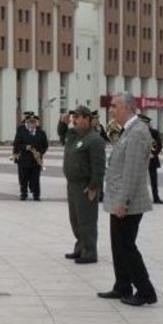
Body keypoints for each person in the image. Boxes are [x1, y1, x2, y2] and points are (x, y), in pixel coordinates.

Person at [98, 92, 157, 307]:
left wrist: (123, 202)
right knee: (118, 245)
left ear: (127, 107)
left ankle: (145, 290)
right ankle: (122, 285)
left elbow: (132, 172)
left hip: (128, 202)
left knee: (127, 246)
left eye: (114, 106)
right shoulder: (128, 131)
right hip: (119, 200)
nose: (111, 110)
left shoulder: (138, 132)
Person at [63, 106, 106, 264]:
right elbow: (64, 135)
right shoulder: (75, 136)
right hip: (72, 184)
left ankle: (89, 252)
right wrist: (63, 124)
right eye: (74, 117)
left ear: (87, 119)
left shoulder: (94, 140)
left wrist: (94, 186)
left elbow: (99, 167)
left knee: (86, 220)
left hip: (85, 186)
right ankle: (80, 247)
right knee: (75, 219)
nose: (74, 119)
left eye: (78, 117)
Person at [12, 112, 48, 201]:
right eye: (30, 122)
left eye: (33, 122)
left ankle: (36, 195)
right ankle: (23, 194)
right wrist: (25, 147)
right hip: (24, 159)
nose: (32, 124)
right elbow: (16, 144)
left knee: (35, 178)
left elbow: (45, 145)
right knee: (23, 178)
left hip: (36, 160)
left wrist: (40, 152)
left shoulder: (41, 132)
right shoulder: (21, 131)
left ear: (36, 122)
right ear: (26, 122)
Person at [140, 114, 163, 204]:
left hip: (152, 159)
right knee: (140, 180)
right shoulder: (137, 133)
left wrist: (153, 154)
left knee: (154, 180)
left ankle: (156, 197)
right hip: (141, 159)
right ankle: (140, 198)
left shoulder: (154, 132)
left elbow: (159, 145)